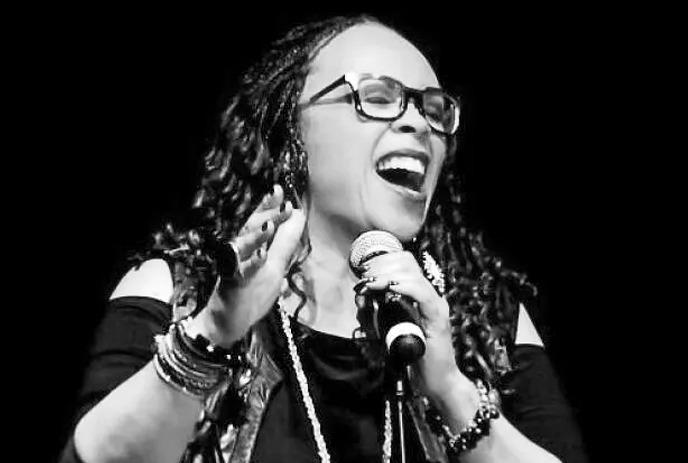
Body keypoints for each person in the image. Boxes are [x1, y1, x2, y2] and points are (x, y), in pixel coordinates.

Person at [60, 14, 587, 463]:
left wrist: (450, 388)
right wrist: (215, 331)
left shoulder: (483, 316)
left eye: (432, 109)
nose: (417, 124)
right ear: (293, 135)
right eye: (377, 96)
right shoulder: (187, 289)